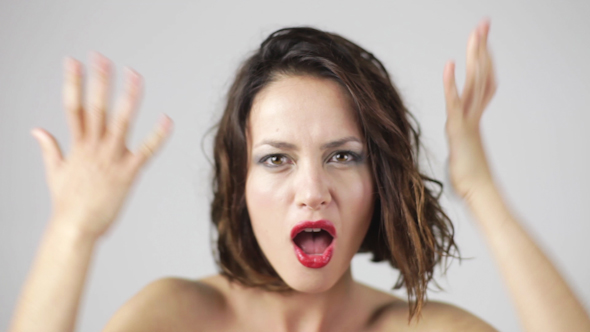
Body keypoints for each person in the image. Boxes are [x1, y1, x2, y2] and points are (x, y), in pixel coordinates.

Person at [8, 18, 590, 332]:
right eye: (276, 159)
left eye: (343, 156)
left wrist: (481, 191)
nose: (312, 192)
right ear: (239, 184)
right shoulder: (178, 318)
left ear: (380, 183)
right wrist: (73, 231)